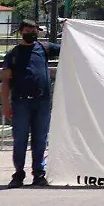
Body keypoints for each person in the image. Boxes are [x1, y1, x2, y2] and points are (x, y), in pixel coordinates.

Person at [1, 19, 60, 188]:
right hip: (20, 103)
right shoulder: (13, 55)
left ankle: (38, 174)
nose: (32, 34)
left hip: (42, 102)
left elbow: (70, 46)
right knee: (20, 140)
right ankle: (18, 174)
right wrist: (5, 105)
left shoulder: (45, 48)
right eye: (28, 31)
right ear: (21, 32)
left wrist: (68, 27)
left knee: (40, 140)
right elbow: (5, 81)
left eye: (34, 31)